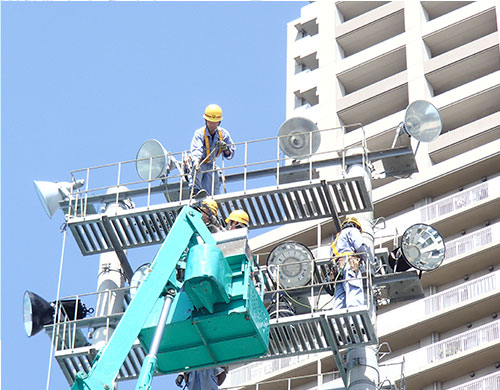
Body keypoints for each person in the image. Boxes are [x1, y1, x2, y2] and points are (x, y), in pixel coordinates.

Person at [325, 216, 373, 309]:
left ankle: (337, 322)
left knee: (340, 297)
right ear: (356, 225)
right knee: (353, 290)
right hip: (349, 264)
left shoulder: (336, 239)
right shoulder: (352, 230)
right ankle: (355, 318)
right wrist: (367, 262)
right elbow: (359, 246)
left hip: (337, 270)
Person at [190, 104, 235, 197]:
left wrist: (225, 149)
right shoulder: (199, 133)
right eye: (210, 121)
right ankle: (195, 191)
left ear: (219, 122)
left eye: (215, 122)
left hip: (211, 164)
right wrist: (196, 162)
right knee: (197, 171)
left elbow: (231, 152)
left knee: (213, 189)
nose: (212, 124)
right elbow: (196, 149)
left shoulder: (223, 134)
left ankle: (211, 202)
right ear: (206, 121)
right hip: (201, 162)